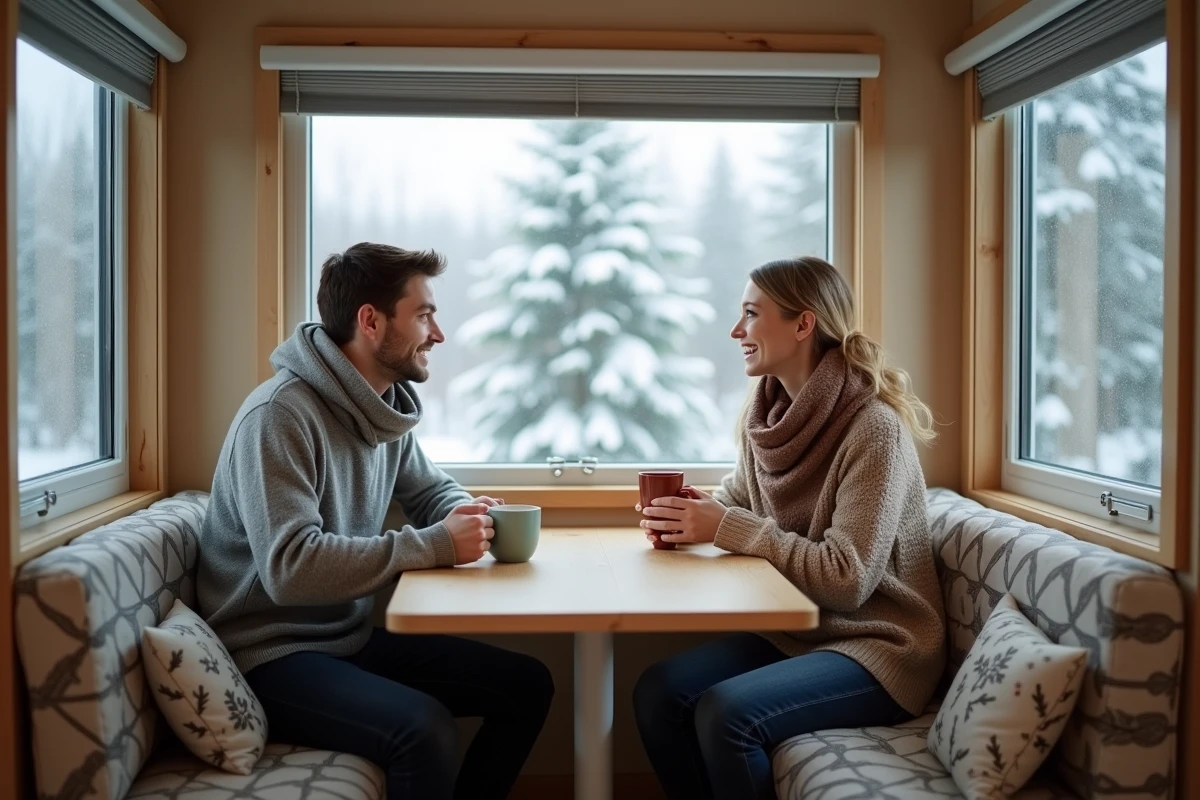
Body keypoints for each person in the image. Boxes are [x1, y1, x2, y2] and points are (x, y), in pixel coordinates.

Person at [196, 243, 554, 800]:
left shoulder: (379, 406)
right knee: (423, 730)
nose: (437, 334)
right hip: (270, 654)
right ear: (370, 320)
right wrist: (435, 544)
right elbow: (291, 569)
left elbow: (429, 489)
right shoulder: (280, 417)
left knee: (527, 685)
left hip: (347, 636)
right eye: (424, 315)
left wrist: (472, 512)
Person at [632, 256, 946, 800]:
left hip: (881, 646)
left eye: (751, 314)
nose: (736, 331)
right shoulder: (768, 416)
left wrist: (727, 526)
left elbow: (848, 579)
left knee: (726, 715)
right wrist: (687, 509)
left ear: (803, 325)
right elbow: (740, 500)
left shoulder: (874, 430)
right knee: (658, 692)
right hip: (798, 633)